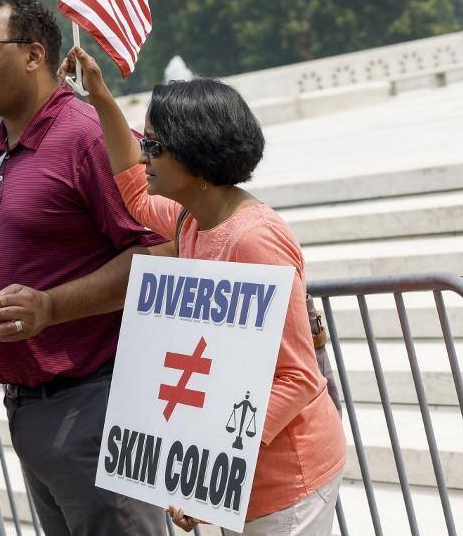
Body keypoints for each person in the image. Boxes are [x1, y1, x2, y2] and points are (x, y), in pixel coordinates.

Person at [66, 45, 346, 534]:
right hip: (241, 483)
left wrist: (209, 471)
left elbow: (297, 378)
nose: (144, 156)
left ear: (196, 154)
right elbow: (133, 190)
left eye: (154, 146)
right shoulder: (189, 220)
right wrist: (101, 98)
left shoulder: (254, 239)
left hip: (287, 483)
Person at [0, 0, 167, 536]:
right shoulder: (7, 148)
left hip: (95, 406)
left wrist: (51, 307)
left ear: (33, 55)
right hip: (35, 414)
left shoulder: (86, 133)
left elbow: (160, 252)